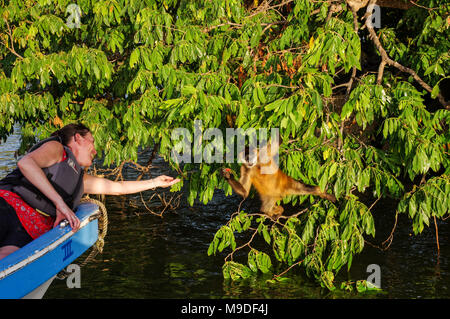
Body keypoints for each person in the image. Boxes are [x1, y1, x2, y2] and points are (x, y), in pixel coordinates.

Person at [0, 123, 180, 259]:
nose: (95, 150)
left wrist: (155, 182)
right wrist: (60, 204)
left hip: (26, 230)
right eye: (92, 142)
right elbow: (25, 163)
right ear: (77, 138)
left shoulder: (81, 180)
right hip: (7, 207)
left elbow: (117, 188)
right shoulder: (57, 149)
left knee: (7, 263)